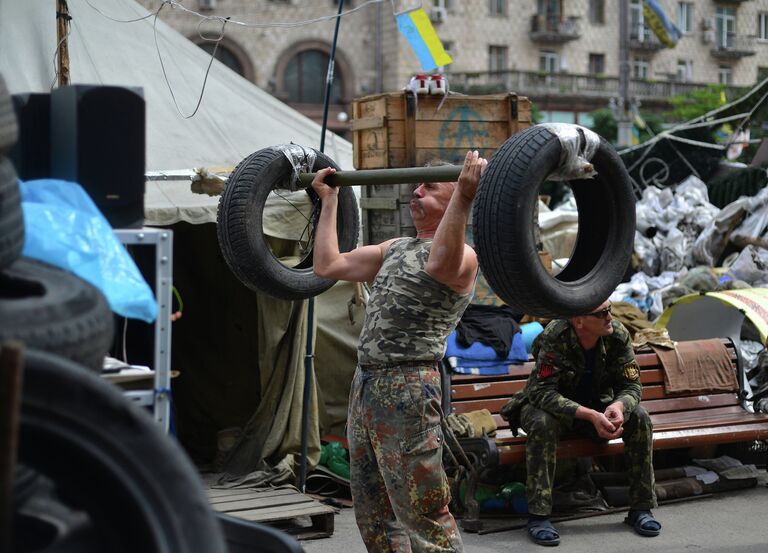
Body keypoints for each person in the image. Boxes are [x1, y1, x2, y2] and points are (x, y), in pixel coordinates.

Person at [311, 151, 487, 553]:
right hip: (367, 384)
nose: (417, 190)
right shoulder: (395, 247)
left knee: (422, 512)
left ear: (454, 195)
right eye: (416, 185)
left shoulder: (466, 257)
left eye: (430, 186)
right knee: (373, 513)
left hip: (409, 386)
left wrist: (464, 193)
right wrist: (329, 201)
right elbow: (327, 265)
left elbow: (441, 264)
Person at [501, 300, 661, 546]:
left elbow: (631, 385)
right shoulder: (556, 335)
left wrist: (618, 407)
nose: (610, 317)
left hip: (595, 406)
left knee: (639, 417)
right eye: (603, 313)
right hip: (548, 408)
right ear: (579, 321)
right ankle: (539, 516)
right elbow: (541, 392)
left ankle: (641, 508)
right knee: (543, 423)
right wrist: (589, 415)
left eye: (610, 310)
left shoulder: (617, 336)